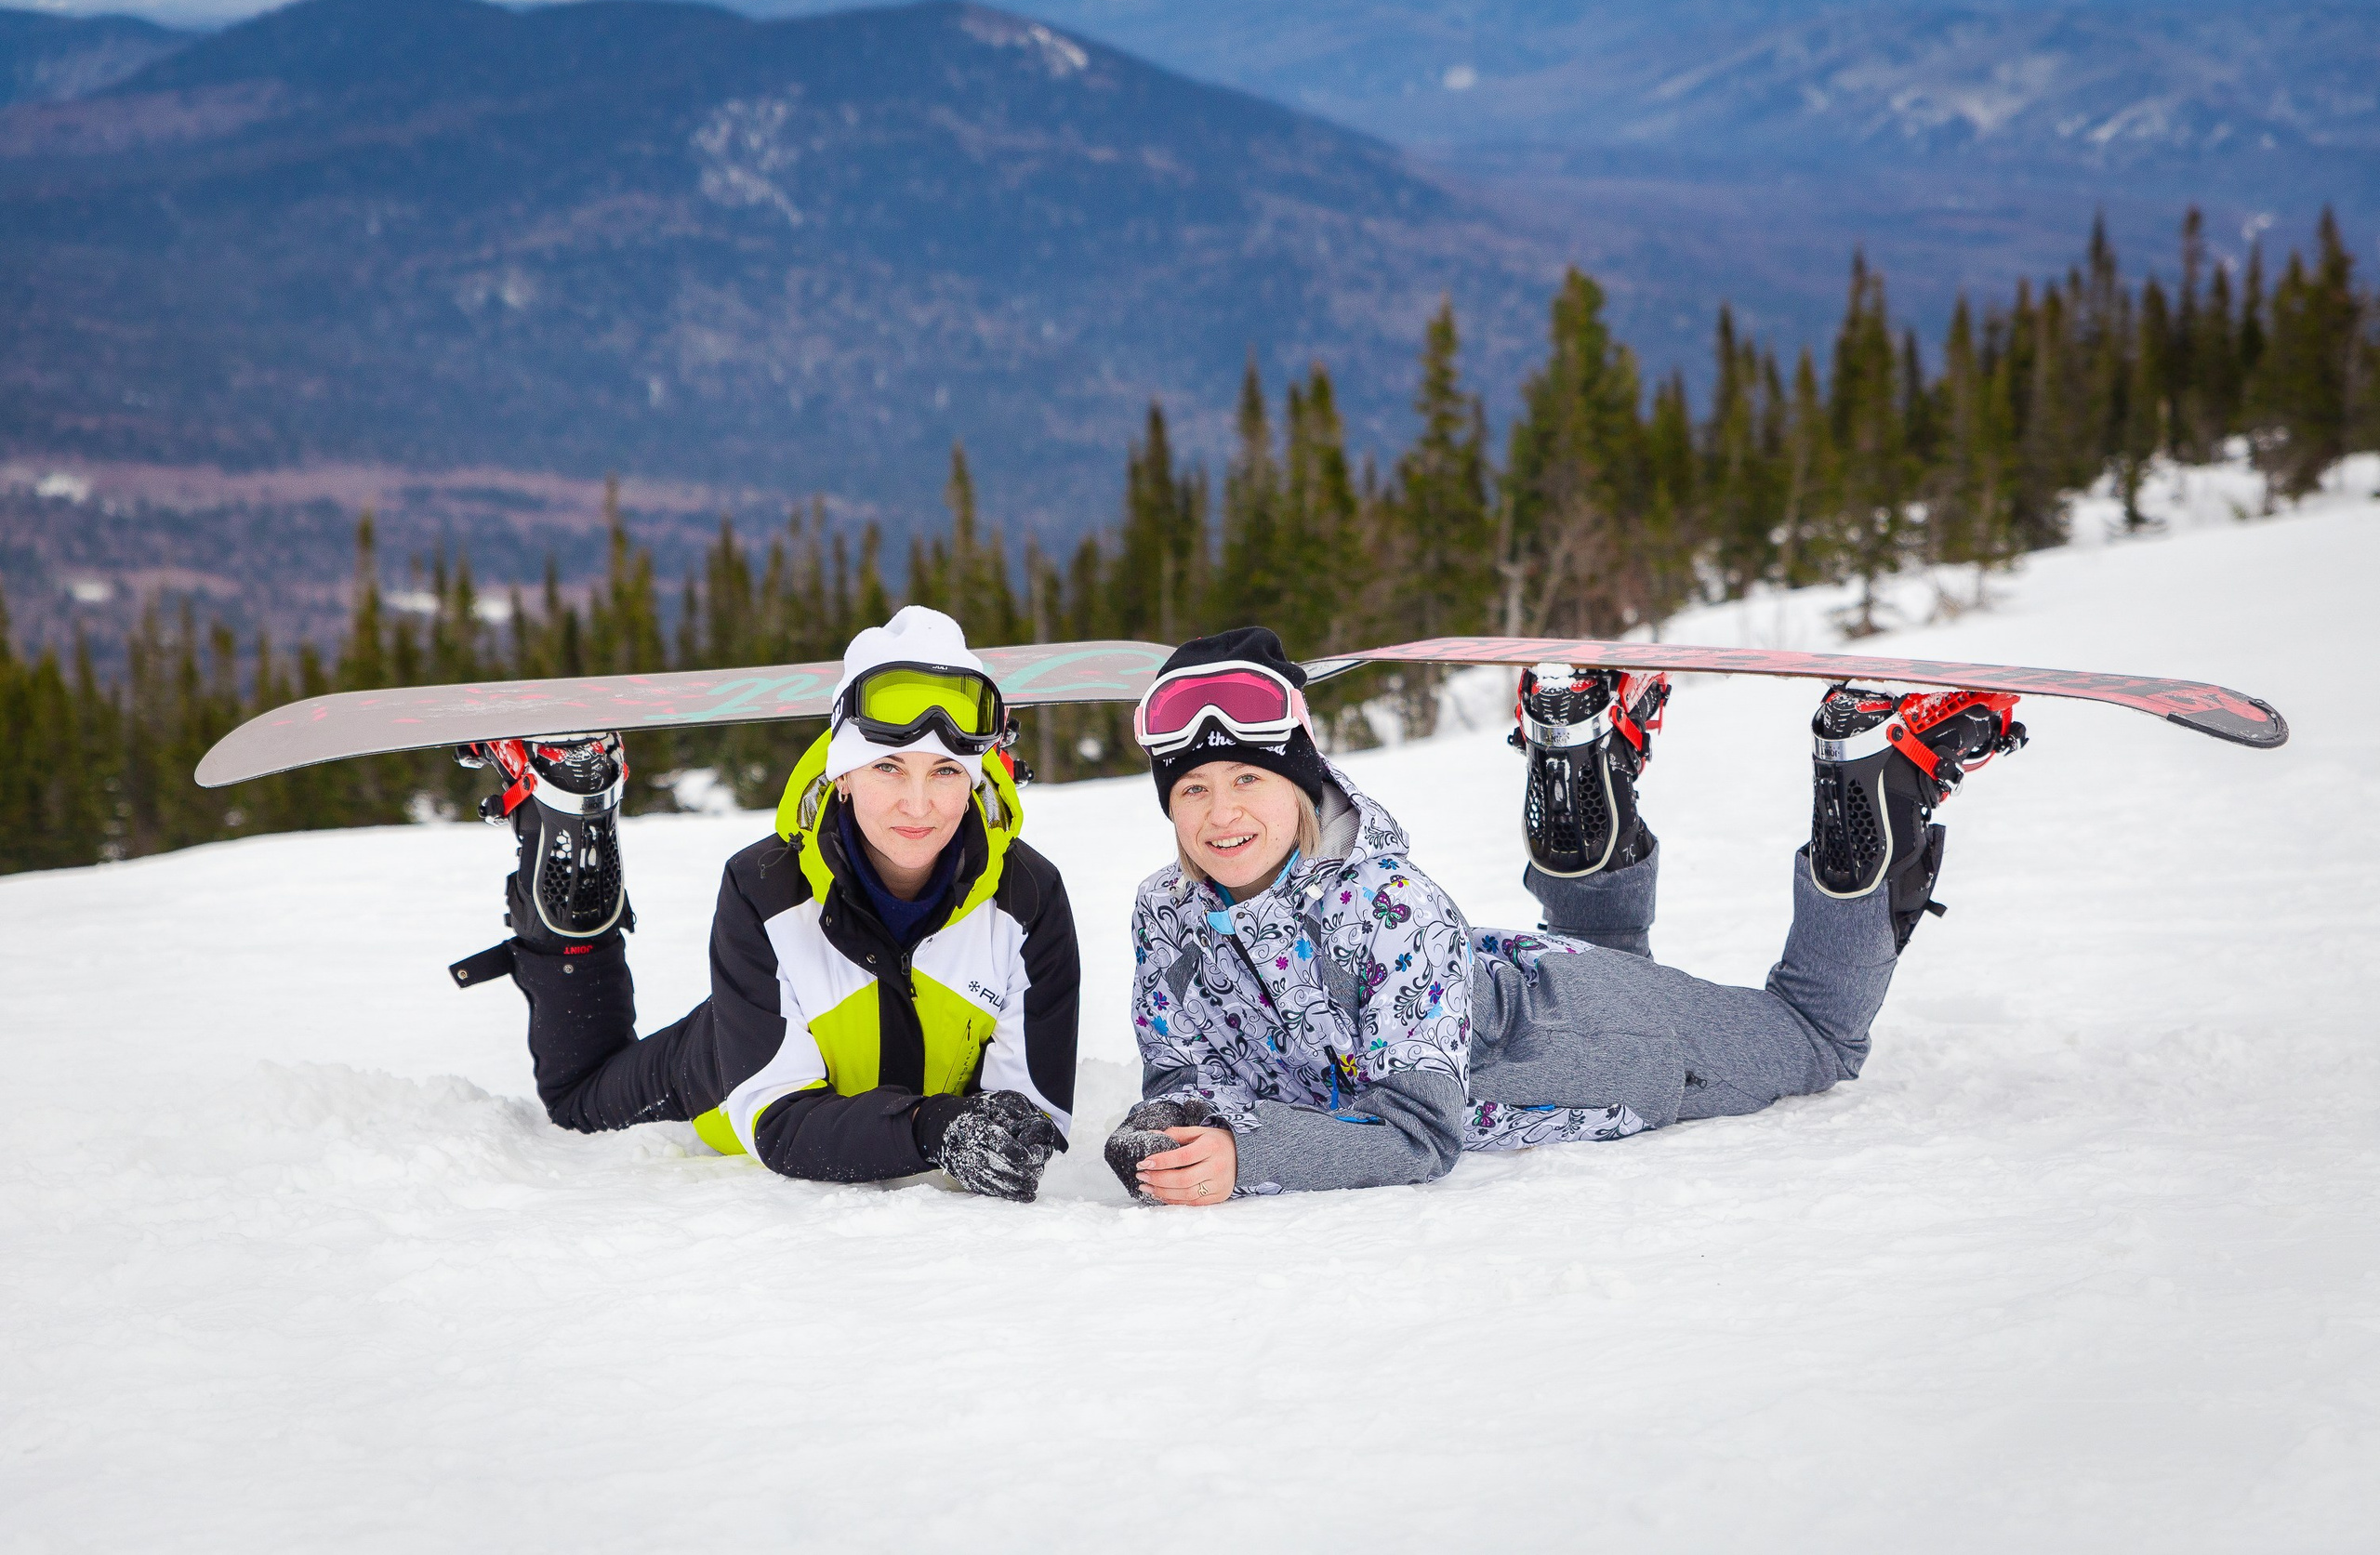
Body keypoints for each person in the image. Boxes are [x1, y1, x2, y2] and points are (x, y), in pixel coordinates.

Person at [1104, 627, 2026, 1205]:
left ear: (1301, 780)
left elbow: (1422, 1136)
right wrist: (1170, 1126)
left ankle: (1881, 773)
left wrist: (1246, 1156)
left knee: (1816, 1037)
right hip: (1509, 979)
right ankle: (1581, 759)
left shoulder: (1386, 906)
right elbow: (1182, 1061)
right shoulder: (1168, 910)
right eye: (1193, 789)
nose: (1221, 814)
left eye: (1249, 780)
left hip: (1577, 1046)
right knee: (1614, 956)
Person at [450, 607, 1080, 1202]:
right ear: (841, 773)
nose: (918, 806)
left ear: (976, 778)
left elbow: (1028, 1127)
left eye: (945, 772)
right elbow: (781, 1124)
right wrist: (933, 1129)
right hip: (724, 1070)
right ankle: (568, 816)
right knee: (577, 1100)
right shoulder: (764, 887)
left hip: (866, 1089)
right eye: (888, 768)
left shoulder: (1029, 899)